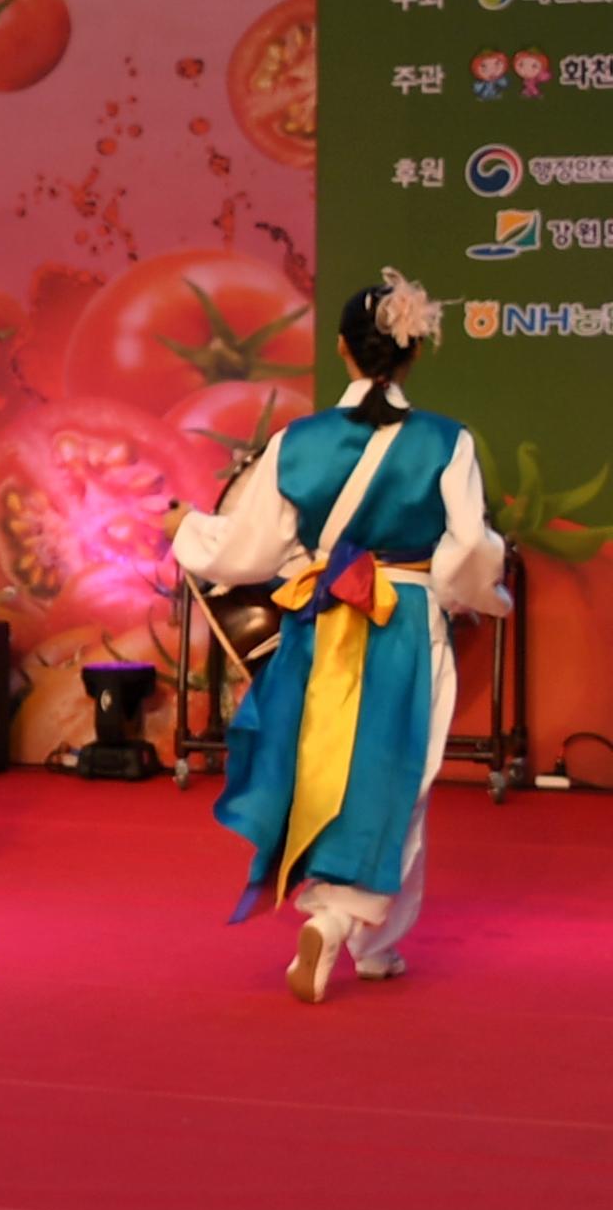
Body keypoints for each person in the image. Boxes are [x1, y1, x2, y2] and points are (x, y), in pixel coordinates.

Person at [169, 273, 508, 1001]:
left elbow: (250, 549)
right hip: (408, 619)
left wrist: (188, 531)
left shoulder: (299, 439)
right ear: (414, 352)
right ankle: (342, 917)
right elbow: (470, 551)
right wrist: (479, 594)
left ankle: (375, 945)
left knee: (325, 770)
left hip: (321, 619)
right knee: (400, 781)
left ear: (343, 351)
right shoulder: (448, 442)